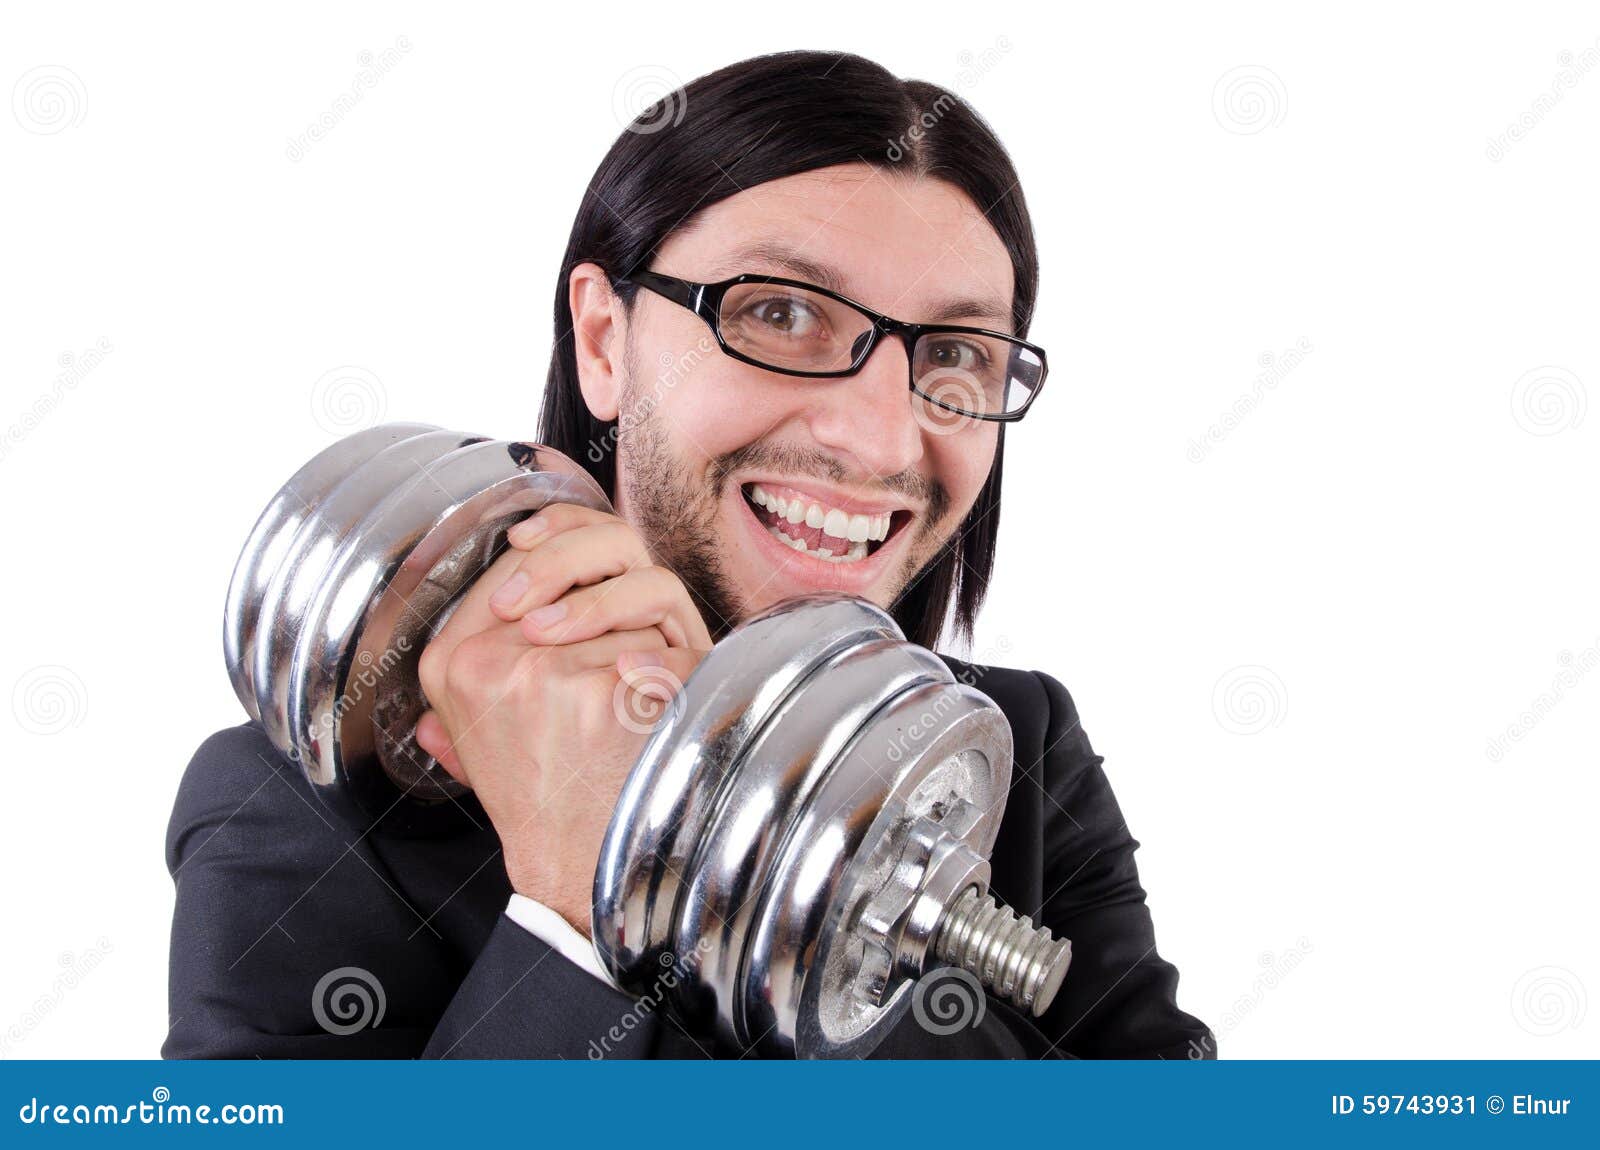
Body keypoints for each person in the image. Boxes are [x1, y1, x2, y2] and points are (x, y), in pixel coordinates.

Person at [164, 50, 1214, 1060]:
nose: (881, 438)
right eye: (782, 312)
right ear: (604, 344)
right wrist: (571, 907)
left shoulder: (1018, 750)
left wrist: (831, 907)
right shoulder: (307, 808)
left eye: (953, 355)